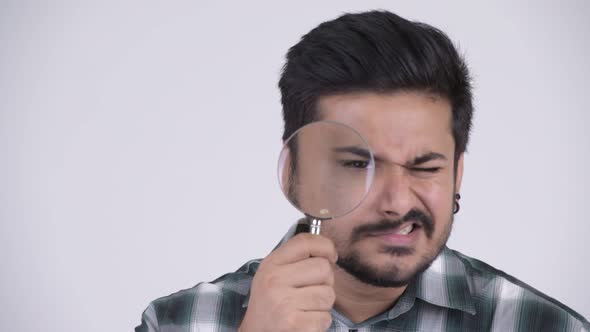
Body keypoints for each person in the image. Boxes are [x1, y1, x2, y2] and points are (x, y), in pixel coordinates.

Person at [135, 10, 589, 332]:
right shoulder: (177, 322)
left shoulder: (544, 325)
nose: (397, 202)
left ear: (458, 174)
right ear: (294, 171)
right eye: (356, 165)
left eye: (425, 166)